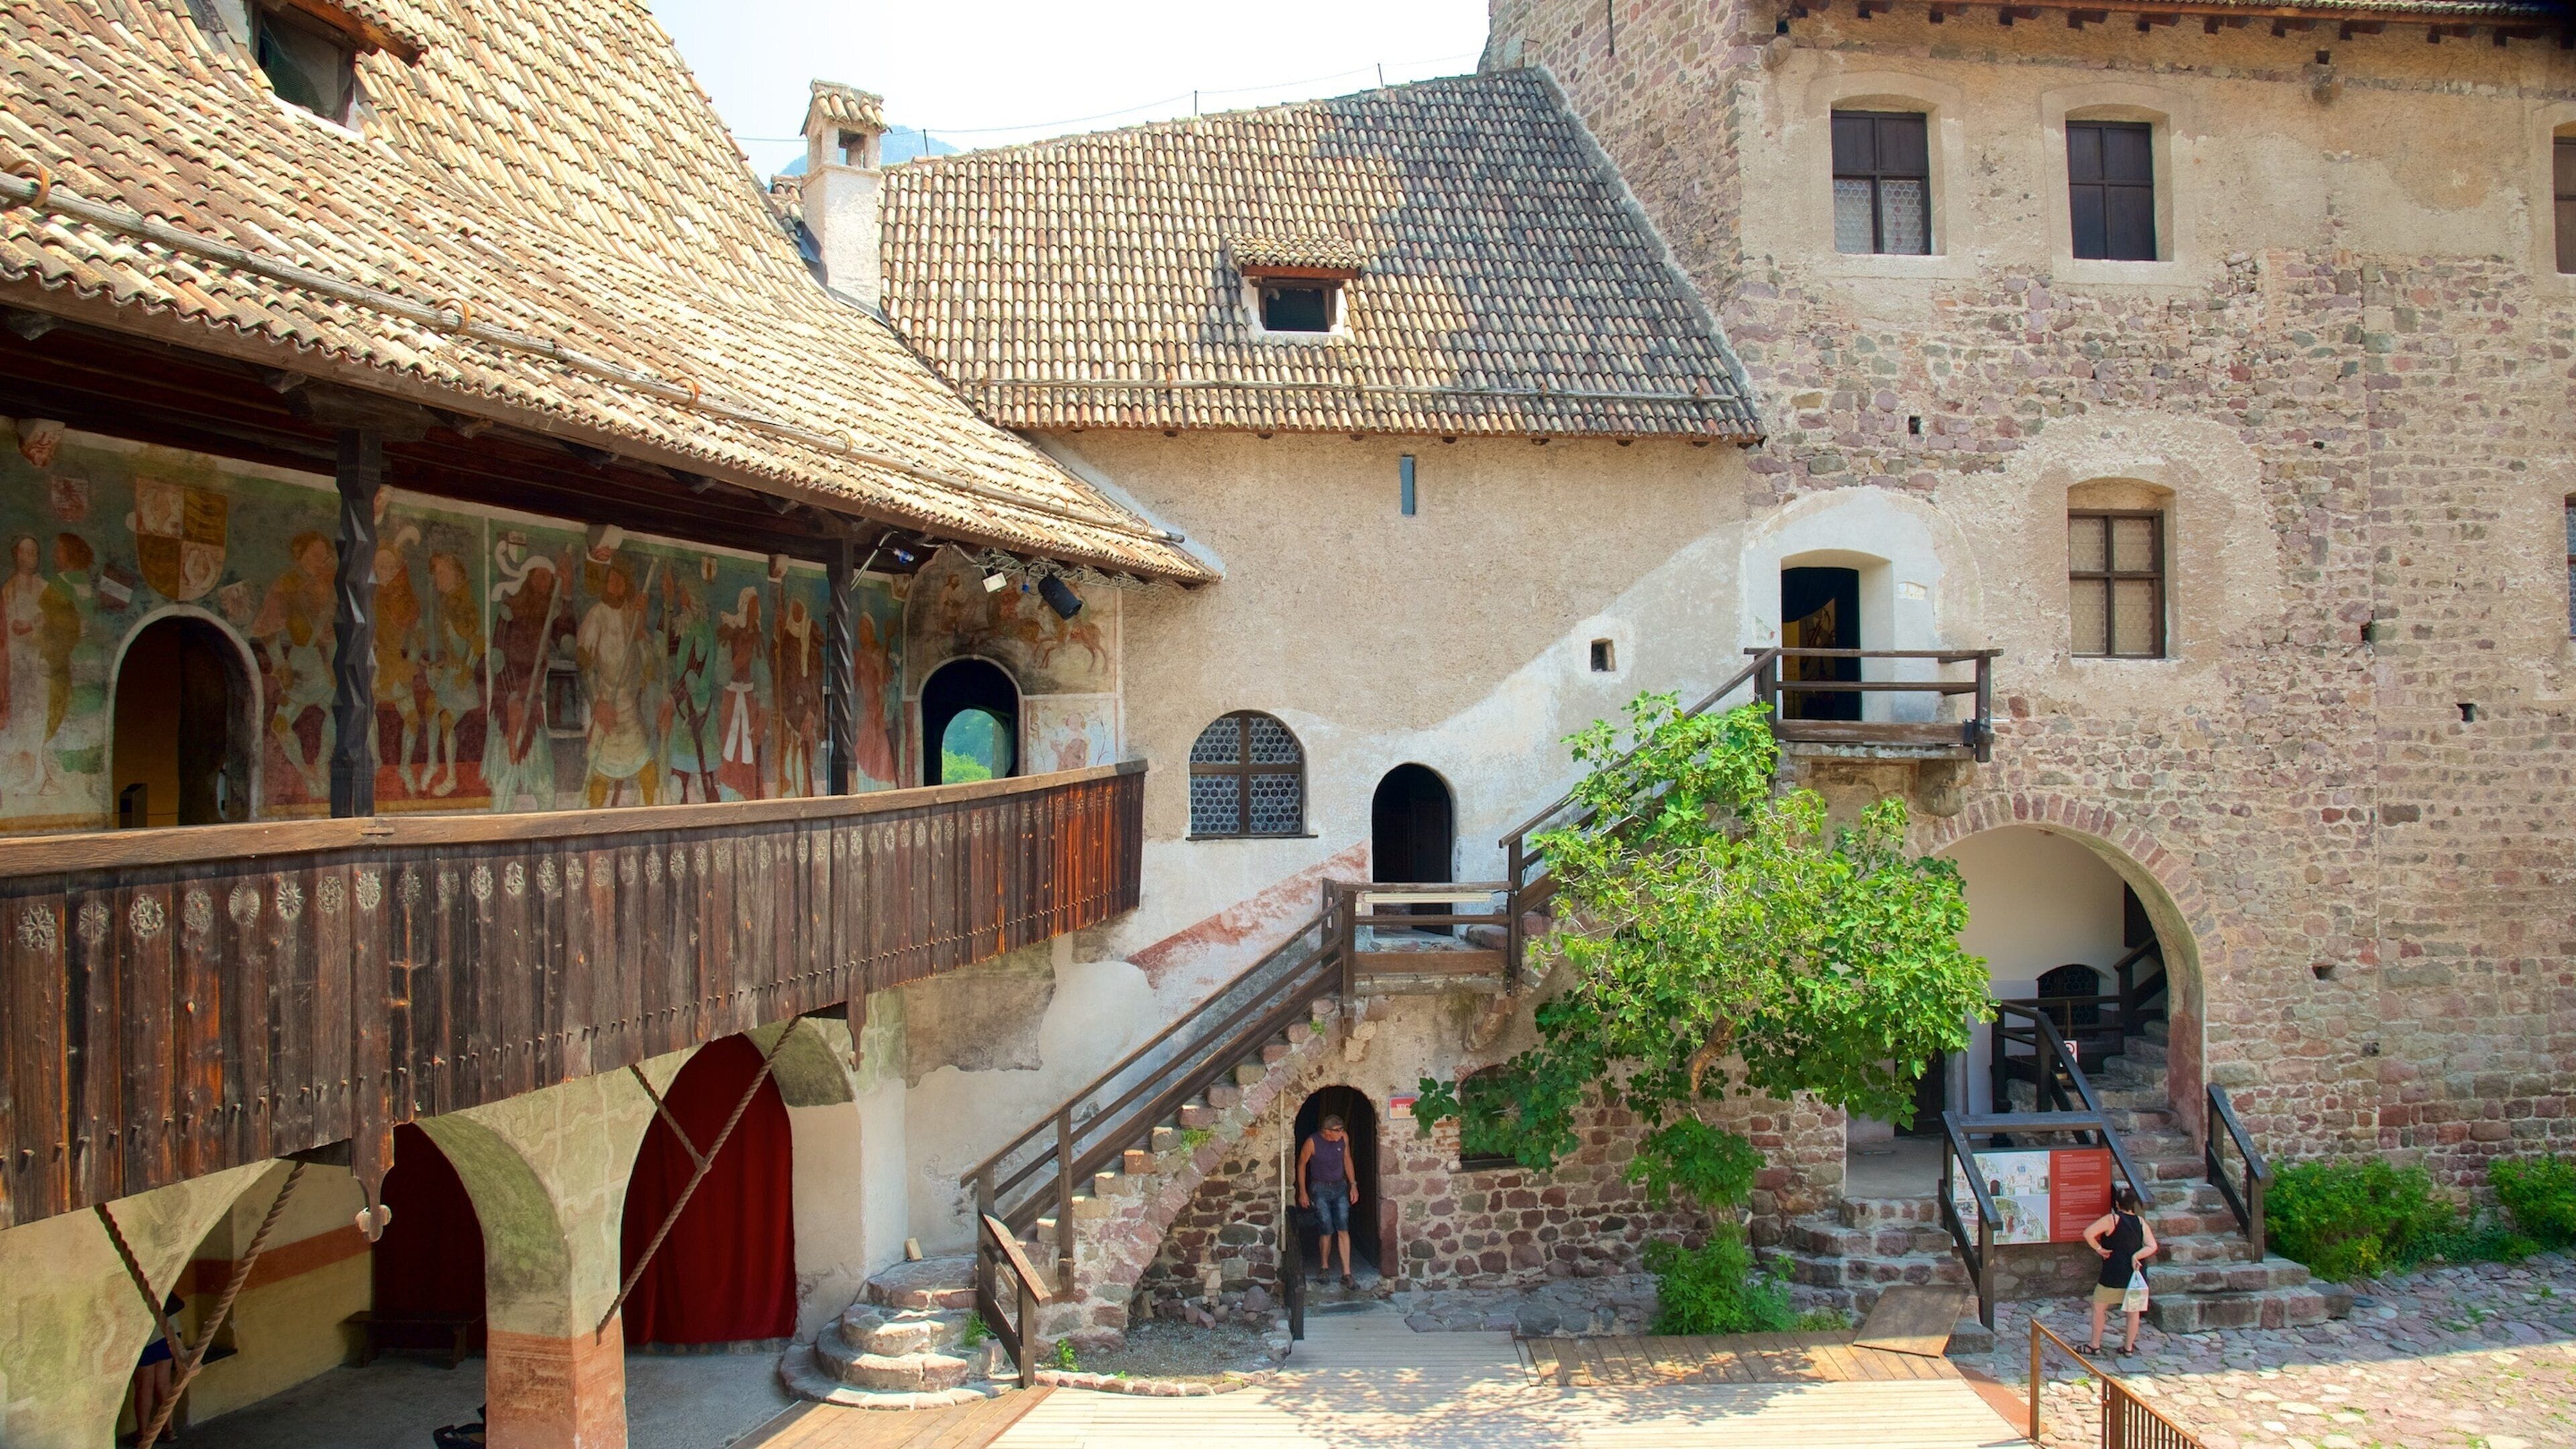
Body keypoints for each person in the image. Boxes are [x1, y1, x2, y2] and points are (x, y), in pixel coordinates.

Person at [2082, 1185, 2158, 1354]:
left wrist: (2099, 1249)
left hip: (2113, 1273)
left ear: (2117, 1203)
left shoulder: (2112, 1220)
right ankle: (2128, 1348)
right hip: (2135, 1275)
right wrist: (2136, 1256)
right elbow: (2152, 1246)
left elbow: (2088, 1233)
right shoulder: (2141, 1222)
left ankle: (2095, 1345)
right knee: (2133, 1312)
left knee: (2099, 1307)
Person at [1297, 1114, 1360, 1289]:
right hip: (1320, 1188)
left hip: (1340, 1187)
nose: (1341, 1133)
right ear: (1327, 1131)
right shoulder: (1312, 1142)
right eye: (1337, 1130)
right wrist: (1303, 1192)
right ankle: (1324, 1267)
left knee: (1343, 1227)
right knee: (1326, 1228)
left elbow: (1347, 1160)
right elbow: (1302, 1164)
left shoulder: (1344, 1138)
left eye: (1342, 1129)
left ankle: (1346, 1273)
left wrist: (1353, 1185)